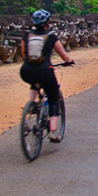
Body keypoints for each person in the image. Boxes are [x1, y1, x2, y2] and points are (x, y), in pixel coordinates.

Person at [19, 9, 74, 142]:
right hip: (45, 70)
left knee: (34, 82)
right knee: (53, 97)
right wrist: (69, 61)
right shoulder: (51, 36)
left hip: (26, 70)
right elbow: (63, 54)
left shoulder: (27, 36)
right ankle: (53, 131)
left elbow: (23, 54)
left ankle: (32, 105)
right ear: (47, 23)